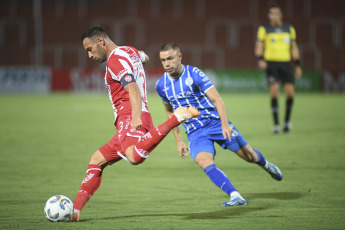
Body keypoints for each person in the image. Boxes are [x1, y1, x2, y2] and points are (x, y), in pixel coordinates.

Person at [70, 26, 200, 222]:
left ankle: (177, 117)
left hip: (130, 115)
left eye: (89, 49)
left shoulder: (114, 61)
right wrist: (142, 57)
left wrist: (135, 117)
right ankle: (75, 211)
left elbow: (131, 87)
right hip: (134, 115)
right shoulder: (129, 51)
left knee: (133, 157)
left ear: (100, 42)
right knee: (96, 159)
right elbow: (144, 56)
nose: (89, 55)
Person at [156, 42, 283, 207]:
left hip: (215, 123)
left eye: (170, 58)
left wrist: (224, 125)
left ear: (179, 56)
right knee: (203, 161)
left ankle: (265, 164)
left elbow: (217, 100)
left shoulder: (194, 74)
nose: (167, 63)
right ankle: (235, 195)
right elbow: (169, 112)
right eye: (163, 60)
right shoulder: (161, 85)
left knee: (250, 156)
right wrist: (178, 140)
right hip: (195, 132)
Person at [255, 4, 302, 134]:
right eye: (272, 14)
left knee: (290, 94)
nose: (274, 16)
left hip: (286, 64)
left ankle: (286, 121)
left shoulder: (289, 28)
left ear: (280, 15)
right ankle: (276, 124)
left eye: (276, 13)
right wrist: (260, 59)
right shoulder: (264, 29)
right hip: (272, 64)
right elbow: (259, 45)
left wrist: (298, 64)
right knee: (274, 92)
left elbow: (294, 47)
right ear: (269, 16)